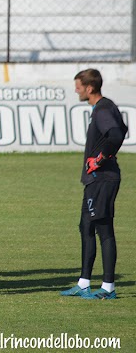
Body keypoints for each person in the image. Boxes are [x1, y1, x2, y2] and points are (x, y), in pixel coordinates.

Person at [61, 69, 128, 300]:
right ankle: (84, 283)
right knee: (86, 227)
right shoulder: (105, 107)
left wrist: (100, 158)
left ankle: (108, 288)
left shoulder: (102, 109)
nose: (76, 90)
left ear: (89, 88)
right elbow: (123, 129)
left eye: (78, 86)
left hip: (102, 180)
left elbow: (117, 134)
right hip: (94, 181)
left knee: (103, 229)